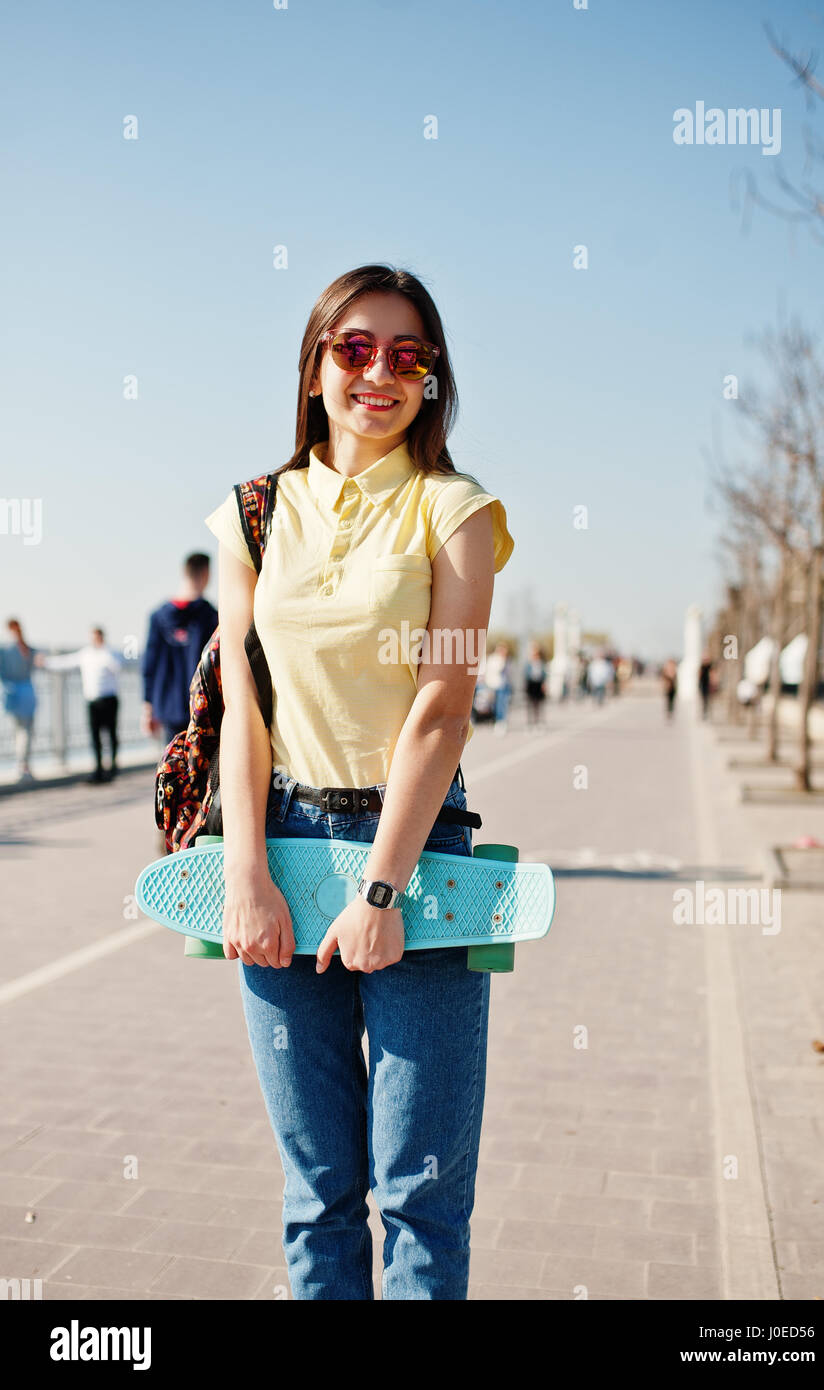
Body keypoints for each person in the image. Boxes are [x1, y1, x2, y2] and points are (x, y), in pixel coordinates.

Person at [203, 264, 514, 1301]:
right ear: (314, 368)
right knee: (317, 1193)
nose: (378, 370)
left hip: (419, 851)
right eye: (353, 347)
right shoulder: (255, 512)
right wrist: (243, 868)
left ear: (430, 380)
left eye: (407, 355)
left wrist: (383, 888)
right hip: (279, 841)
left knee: (422, 1195)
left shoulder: (456, 509)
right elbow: (243, 700)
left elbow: (444, 697)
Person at [141, 553, 218, 750]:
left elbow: (150, 664)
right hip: (203, 705)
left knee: (175, 765)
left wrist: (148, 708)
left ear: (184, 572)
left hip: (168, 706)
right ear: (206, 574)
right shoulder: (210, 617)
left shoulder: (158, 617)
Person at [35, 628, 127, 782]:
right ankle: (98, 769)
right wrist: (46, 663)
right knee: (95, 735)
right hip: (92, 701)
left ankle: (112, 766)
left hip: (109, 699)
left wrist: (105, 651)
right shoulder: (86, 654)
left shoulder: (109, 653)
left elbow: (118, 666)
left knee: (111, 733)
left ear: (102, 637)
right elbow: (66, 662)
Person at [0, 618, 38, 781]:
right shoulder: (10, 649)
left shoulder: (23, 648)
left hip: (19, 693)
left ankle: (23, 764)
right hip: (17, 693)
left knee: (22, 731)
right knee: (22, 731)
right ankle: (23, 765)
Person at [482, 641, 513, 735]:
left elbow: (507, 673)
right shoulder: (493, 659)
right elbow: (489, 671)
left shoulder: (505, 660)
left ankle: (501, 722)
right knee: (494, 705)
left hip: (502, 685)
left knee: (502, 705)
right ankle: (496, 721)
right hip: (493, 685)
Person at [524, 641, 547, 727]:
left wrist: (544, 684)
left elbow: (544, 675)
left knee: (539, 705)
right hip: (531, 685)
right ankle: (530, 723)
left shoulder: (541, 663)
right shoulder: (528, 664)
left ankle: (539, 722)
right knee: (530, 705)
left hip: (539, 685)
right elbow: (526, 675)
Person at [698, 652, 714, 721]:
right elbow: (699, 675)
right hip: (703, 685)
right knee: (704, 700)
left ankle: (708, 713)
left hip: (709, 685)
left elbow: (712, 675)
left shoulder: (710, 666)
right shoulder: (701, 666)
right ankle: (704, 713)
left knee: (709, 700)